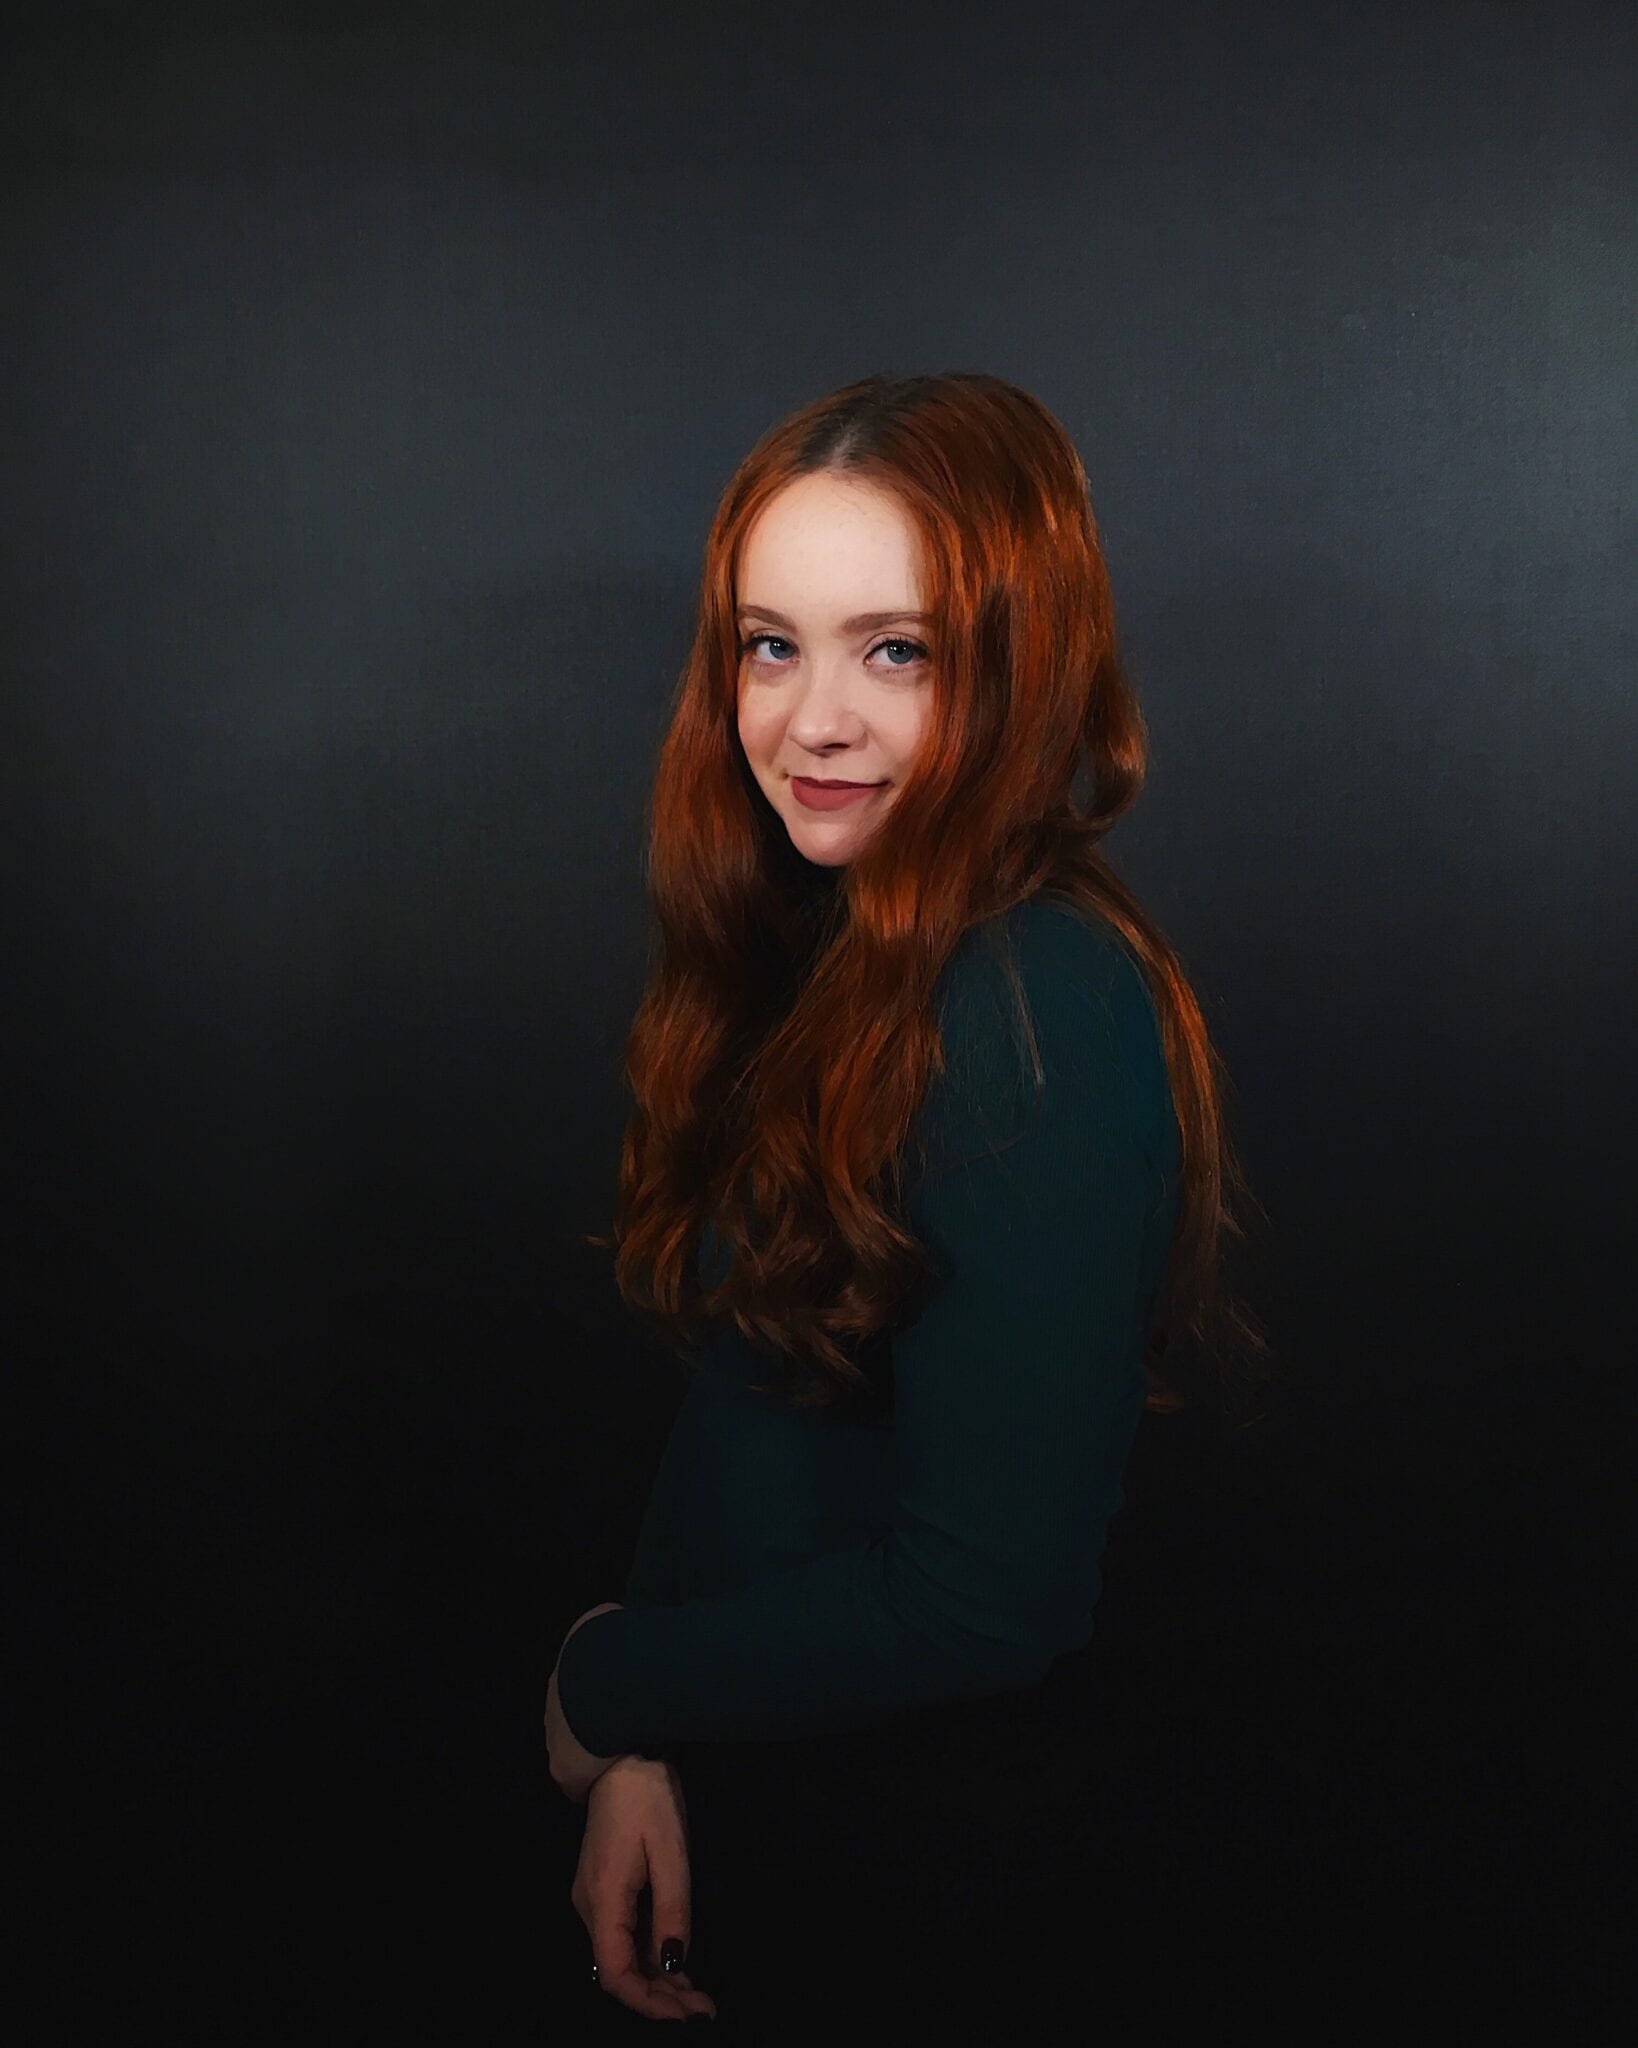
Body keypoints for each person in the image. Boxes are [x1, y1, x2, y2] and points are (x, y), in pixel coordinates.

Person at [545, 371, 1268, 2035]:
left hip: (927, 1901)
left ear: (1019, 667)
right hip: (773, 1828)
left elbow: (980, 1601)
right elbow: (757, 1409)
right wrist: (651, 1747)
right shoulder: (850, 942)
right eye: (770, 644)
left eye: (897, 651)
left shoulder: (1030, 998)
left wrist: (602, 1679)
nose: (811, 720)